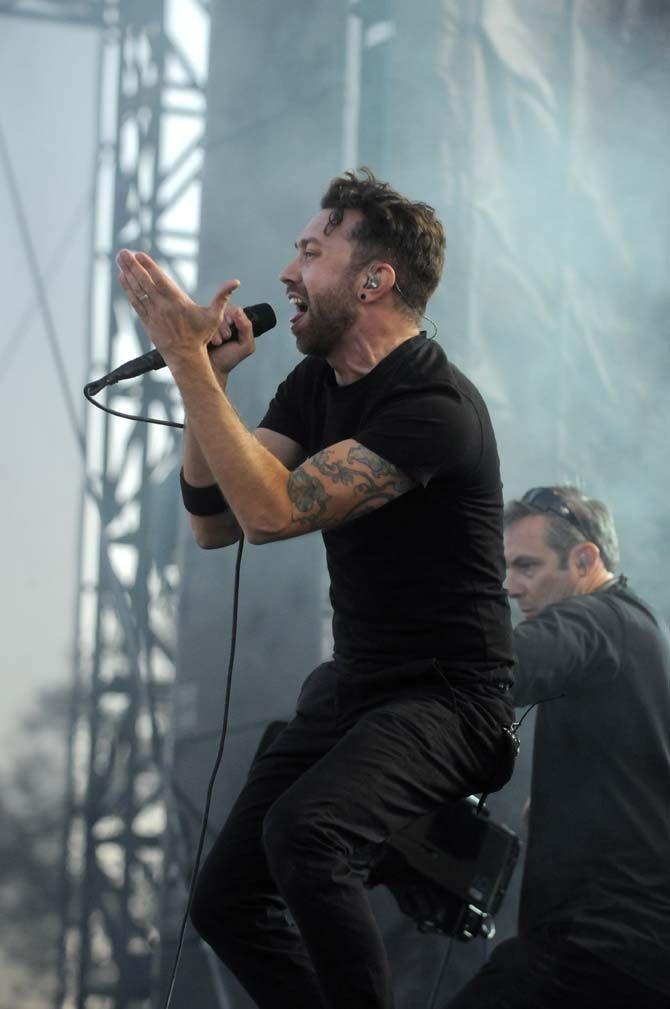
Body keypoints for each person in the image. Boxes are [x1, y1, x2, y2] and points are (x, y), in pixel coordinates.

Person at [116, 169, 516, 1009]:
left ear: (374, 279)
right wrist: (210, 383)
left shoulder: (434, 404)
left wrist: (188, 359)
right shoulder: (316, 383)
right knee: (226, 901)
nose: (288, 272)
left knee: (307, 834)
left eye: (311, 250)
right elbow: (213, 521)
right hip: (357, 687)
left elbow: (271, 512)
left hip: (451, 697)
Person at [445, 485, 670, 1009]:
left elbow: (503, 668)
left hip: (598, 946)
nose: (510, 587)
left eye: (527, 566)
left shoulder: (599, 619)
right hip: (632, 950)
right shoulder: (639, 633)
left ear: (585, 558)